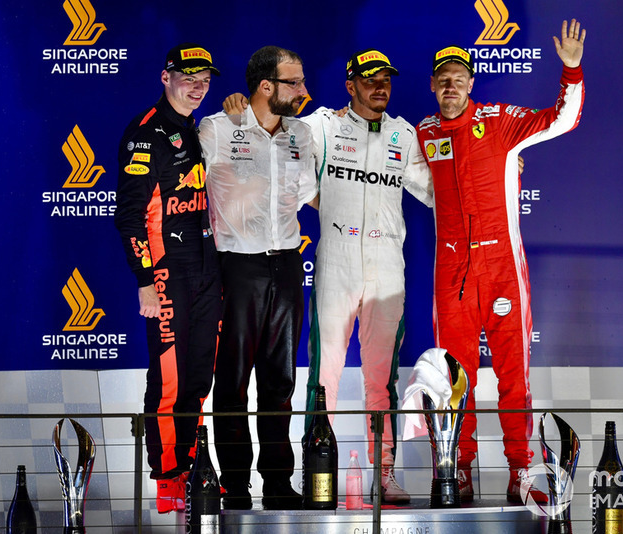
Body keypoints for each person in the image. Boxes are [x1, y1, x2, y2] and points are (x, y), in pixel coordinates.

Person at [224, 48, 434, 504]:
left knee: (382, 378)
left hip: (386, 266)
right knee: (325, 377)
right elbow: (284, 169)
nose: (380, 87)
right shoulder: (322, 125)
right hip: (336, 260)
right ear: (350, 84)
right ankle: (319, 472)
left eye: (387, 80)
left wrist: (497, 172)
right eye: (370, 79)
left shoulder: (404, 133)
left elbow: (438, 192)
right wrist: (240, 112)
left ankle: (385, 472)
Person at [416, 19, 586, 503]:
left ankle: (522, 472)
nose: (451, 86)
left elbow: (562, 119)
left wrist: (570, 69)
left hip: (502, 269)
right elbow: (401, 175)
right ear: (433, 84)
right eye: (442, 79)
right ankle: (457, 469)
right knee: (452, 381)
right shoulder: (422, 133)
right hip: (451, 274)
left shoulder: (501, 119)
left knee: (514, 378)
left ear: (471, 83)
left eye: (459, 78)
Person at [198, 45, 317, 511]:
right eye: (295, 83)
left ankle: (279, 483)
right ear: (266, 86)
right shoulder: (218, 128)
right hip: (236, 267)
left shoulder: (301, 134)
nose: (304, 91)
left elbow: (310, 193)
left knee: (279, 383)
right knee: (231, 383)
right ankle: (232, 484)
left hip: (287, 265)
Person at [115, 43, 222, 514]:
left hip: (207, 271)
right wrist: (144, 281)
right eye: (188, 76)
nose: (197, 86)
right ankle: (166, 478)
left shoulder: (203, 131)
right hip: (165, 274)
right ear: (165, 77)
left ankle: (193, 464)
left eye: (205, 78)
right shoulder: (144, 133)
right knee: (169, 381)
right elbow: (129, 217)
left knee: (200, 377)